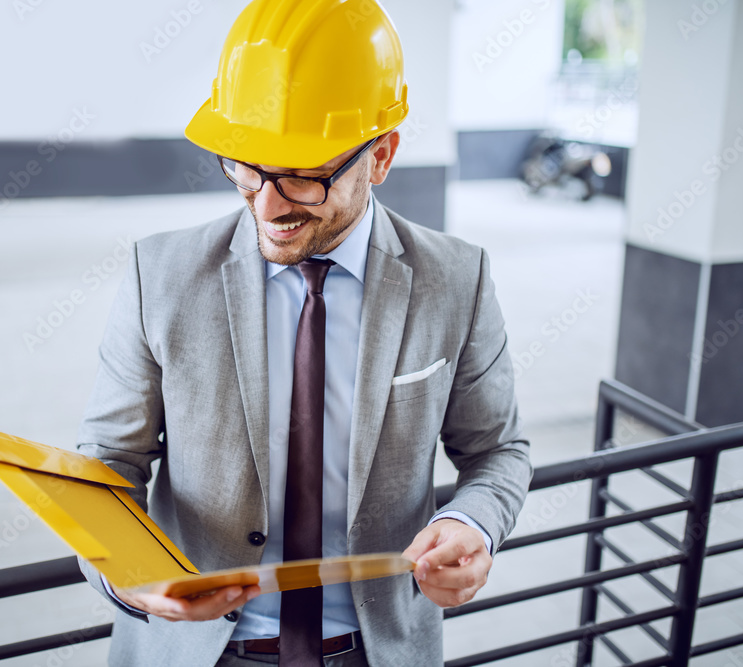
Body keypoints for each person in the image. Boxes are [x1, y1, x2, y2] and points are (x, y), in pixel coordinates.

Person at [75, 1, 531, 665]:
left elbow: (499, 450)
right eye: (247, 165)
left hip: (375, 651)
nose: (266, 203)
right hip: (196, 651)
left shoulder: (455, 280)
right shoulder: (160, 275)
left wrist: (472, 522)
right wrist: (132, 574)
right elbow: (104, 465)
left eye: (302, 175)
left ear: (381, 155)